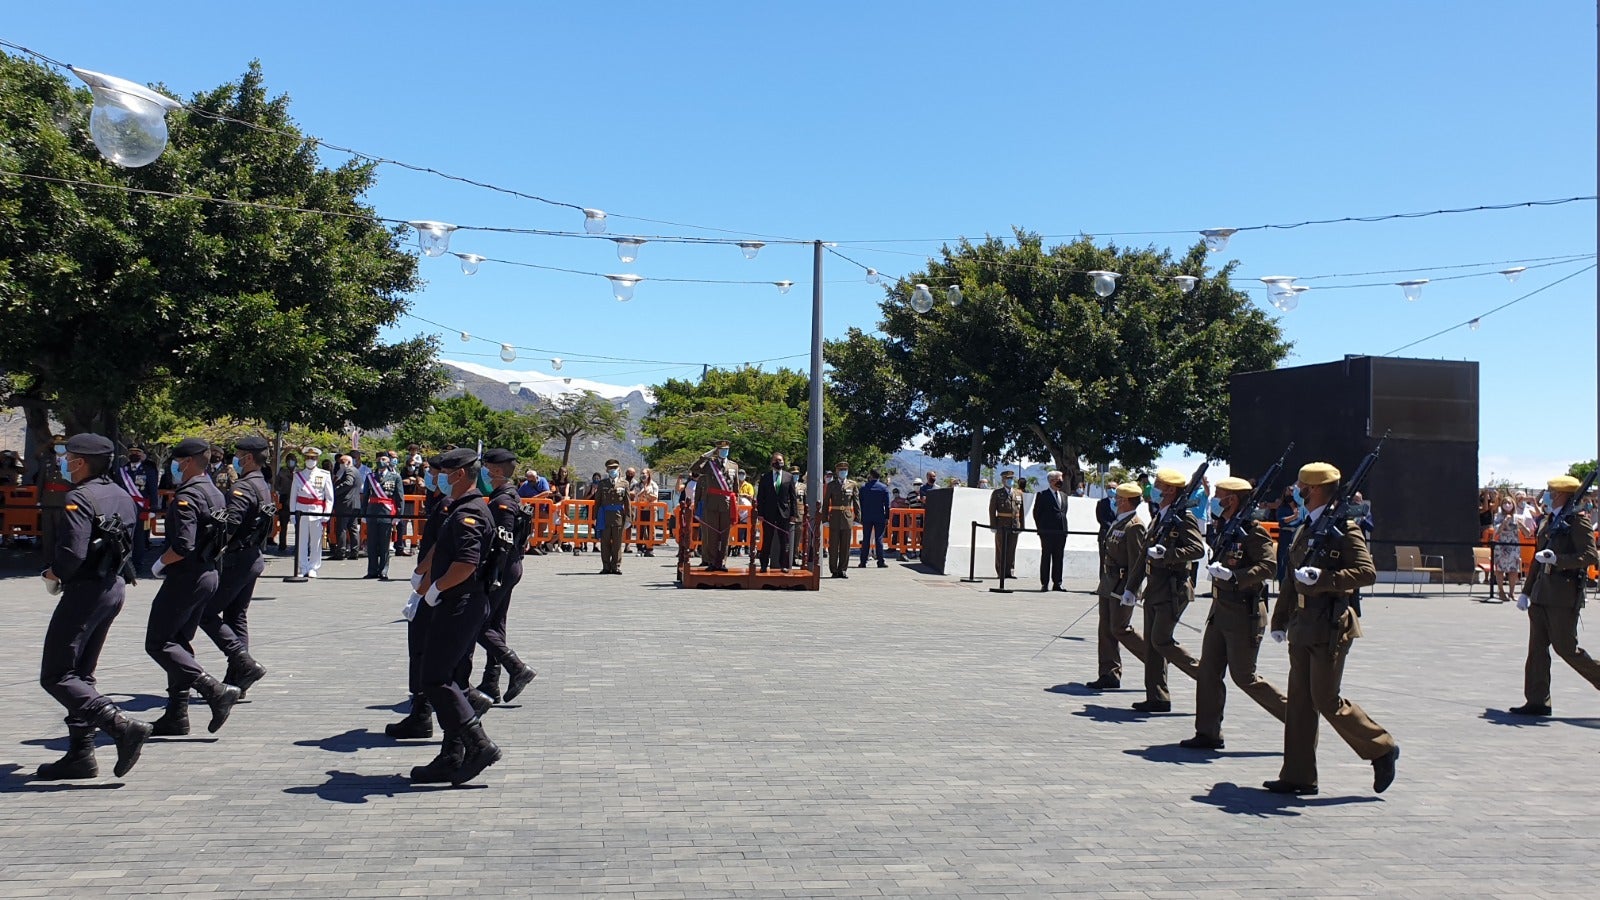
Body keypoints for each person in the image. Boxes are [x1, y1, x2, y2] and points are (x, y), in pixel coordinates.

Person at [1266, 461, 1399, 796]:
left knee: (1326, 699)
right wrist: (1280, 619)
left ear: (1314, 489)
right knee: (1298, 702)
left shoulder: (1346, 529)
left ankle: (1381, 747)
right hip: (1301, 626)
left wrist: (1325, 580)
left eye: (1301, 486)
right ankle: (1298, 775)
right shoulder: (1307, 527)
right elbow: (1289, 580)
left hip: (1329, 626)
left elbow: (1366, 572)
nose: (1296, 491)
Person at [35, 433, 152, 780]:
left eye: (68, 457)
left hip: (85, 590)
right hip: (112, 587)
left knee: (57, 675)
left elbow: (72, 553)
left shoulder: (79, 497)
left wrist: (52, 573)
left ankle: (121, 726)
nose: (64, 463)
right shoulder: (121, 495)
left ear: (81, 462)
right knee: (80, 675)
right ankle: (81, 754)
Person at [409, 447, 502, 785]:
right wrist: (423, 573)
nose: (440, 479)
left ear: (460, 475)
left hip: (461, 601)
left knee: (435, 677)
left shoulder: (470, 513)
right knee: (448, 677)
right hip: (457, 600)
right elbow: (442, 548)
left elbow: (465, 563)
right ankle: (451, 755)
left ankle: (479, 744)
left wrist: (436, 588)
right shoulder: (461, 508)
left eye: (445, 473)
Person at [1183, 476, 1288, 750]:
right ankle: (1207, 732)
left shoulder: (1253, 532)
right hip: (1220, 611)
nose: (1215, 499)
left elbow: (1269, 567)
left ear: (1232, 499)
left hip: (1244, 612)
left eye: (1220, 494)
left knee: (1244, 677)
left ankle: (1297, 717)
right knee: (1208, 672)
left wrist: (1235, 575)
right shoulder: (1223, 526)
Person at [145, 438, 240, 737]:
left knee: (159, 642)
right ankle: (176, 713)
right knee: (179, 643)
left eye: (176, 461)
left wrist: (160, 563)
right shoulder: (215, 492)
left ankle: (214, 689)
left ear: (186, 462)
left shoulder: (188, 495)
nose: (174, 467)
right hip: (209, 573)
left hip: (187, 576)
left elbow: (183, 545)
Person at [1510, 474, 1600, 716]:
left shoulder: (1577, 521)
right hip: (1541, 593)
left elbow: (1591, 556)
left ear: (1561, 494)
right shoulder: (1550, 521)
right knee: (1536, 650)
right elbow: (1539, 559)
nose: (1547, 495)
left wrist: (1559, 560)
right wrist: (1526, 592)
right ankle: (1537, 701)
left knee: (1566, 649)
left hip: (1563, 595)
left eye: (1550, 491)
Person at [199, 436, 274, 700]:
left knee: (204, 612)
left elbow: (230, 525)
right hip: (252, 557)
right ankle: (237, 679)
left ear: (249, 458)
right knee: (235, 615)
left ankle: (242, 663)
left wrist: (207, 549)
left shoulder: (243, 487)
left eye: (239, 455)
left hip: (237, 558)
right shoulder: (261, 484)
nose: (236, 459)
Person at [1134, 468, 1205, 714]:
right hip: (1154, 588)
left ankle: (1205, 675)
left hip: (1173, 589)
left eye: (1157, 485)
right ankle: (1157, 696)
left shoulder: (1184, 518)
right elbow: (1143, 556)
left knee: (1161, 640)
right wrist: (1131, 588)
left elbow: (1197, 549)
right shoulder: (1160, 516)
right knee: (1152, 646)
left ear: (1170, 490)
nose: (1153, 489)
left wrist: (1169, 555)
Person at [476, 449, 539, 704]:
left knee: (478, 625)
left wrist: (491, 573)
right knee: (496, 625)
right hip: (509, 567)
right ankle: (491, 682)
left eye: (487, 467)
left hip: (502, 567)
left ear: (498, 471)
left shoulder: (504, 500)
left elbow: (502, 540)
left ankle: (517, 668)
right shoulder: (504, 494)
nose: (484, 472)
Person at [1088, 483, 1150, 691]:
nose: (1115, 501)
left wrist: (1132, 590)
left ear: (1124, 501)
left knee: (1120, 628)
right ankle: (1109, 673)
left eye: (1118, 498)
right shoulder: (1119, 522)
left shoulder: (1134, 526)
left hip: (1123, 586)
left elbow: (1137, 562)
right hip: (1109, 583)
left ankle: (1155, 659)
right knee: (1105, 629)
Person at [689, 441, 738, 571]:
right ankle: (711, 561)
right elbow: (694, 469)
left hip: (727, 504)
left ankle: (722, 562)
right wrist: (707, 455)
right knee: (711, 534)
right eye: (721, 449)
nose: (724, 452)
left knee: (725, 535)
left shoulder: (734, 466)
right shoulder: (710, 464)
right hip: (711, 503)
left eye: (726, 449)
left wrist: (735, 506)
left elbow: (735, 489)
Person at [290, 447, 336, 577]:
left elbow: (329, 497)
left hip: (317, 511)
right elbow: (293, 496)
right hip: (301, 510)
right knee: (301, 541)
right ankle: (302, 567)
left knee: (316, 542)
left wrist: (326, 513)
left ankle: (313, 567)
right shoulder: (298, 476)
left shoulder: (324, 475)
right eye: (308, 458)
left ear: (317, 459)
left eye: (313, 458)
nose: (311, 460)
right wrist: (292, 514)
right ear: (305, 459)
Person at [116, 447, 160, 576]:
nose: (134, 454)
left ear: (142, 455)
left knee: (139, 537)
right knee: (123, 536)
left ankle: (137, 565)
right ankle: (123, 565)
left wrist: (153, 508)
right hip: (124, 507)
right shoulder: (122, 471)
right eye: (131, 452)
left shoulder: (148, 470)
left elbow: (153, 490)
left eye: (137, 452)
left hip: (141, 507)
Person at [363, 451, 404, 580]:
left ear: (389, 462)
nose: (382, 461)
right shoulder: (370, 477)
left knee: (385, 544)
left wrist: (398, 515)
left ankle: (383, 570)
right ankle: (372, 570)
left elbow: (399, 497)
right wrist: (363, 513)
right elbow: (365, 496)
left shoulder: (395, 477)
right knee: (372, 544)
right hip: (372, 512)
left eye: (385, 459)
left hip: (387, 512)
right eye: (380, 459)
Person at [756, 452, 798, 573]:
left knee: (784, 541)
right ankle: (764, 564)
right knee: (767, 540)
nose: (778, 462)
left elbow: (793, 497)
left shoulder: (788, 477)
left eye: (780, 460)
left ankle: (783, 564)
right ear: (772, 463)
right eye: (776, 460)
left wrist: (793, 515)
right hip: (768, 514)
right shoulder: (765, 477)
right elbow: (761, 497)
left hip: (784, 514)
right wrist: (760, 513)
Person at [594, 458, 632, 575]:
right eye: (610, 468)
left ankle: (616, 566)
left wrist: (629, 518)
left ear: (619, 468)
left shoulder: (624, 483)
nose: (612, 470)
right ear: (606, 469)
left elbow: (627, 502)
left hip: (618, 516)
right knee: (605, 543)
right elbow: (598, 501)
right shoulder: (602, 484)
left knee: (617, 543)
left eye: (614, 468)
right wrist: (595, 518)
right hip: (604, 516)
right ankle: (606, 566)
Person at [1033, 470, 1069, 592]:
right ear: (1052, 481)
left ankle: (1057, 583)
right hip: (1047, 532)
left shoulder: (1063, 496)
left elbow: (1063, 513)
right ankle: (1045, 583)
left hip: (1061, 532)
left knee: (1059, 557)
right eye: (1059, 479)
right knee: (1046, 557)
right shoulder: (1042, 495)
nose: (1061, 481)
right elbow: (1037, 514)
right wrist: (1041, 530)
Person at [825, 462, 859, 578]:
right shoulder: (831, 485)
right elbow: (825, 503)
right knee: (833, 546)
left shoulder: (852, 484)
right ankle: (834, 570)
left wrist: (857, 518)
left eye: (845, 469)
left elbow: (856, 502)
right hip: (834, 518)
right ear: (837, 471)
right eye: (841, 470)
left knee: (845, 546)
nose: (843, 471)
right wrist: (825, 519)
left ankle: (843, 569)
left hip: (847, 518)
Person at [989, 470, 1023, 579]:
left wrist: (1022, 525)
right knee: (1001, 549)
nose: (1010, 481)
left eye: (1012, 479)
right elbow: (992, 510)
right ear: (1003, 480)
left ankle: (1010, 571)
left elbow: (1022, 511)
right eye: (1008, 479)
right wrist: (993, 525)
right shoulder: (997, 493)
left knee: (1012, 548)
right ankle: (1001, 572)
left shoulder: (1018, 493)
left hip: (1014, 524)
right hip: (1002, 523)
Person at [1490, 497, 1523, 603]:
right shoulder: (1497, 516)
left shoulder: (1517, 517)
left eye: (1509, 503)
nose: (1507, 505)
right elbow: (1497, 532)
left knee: (1513, 570)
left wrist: (1521, 525)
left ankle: (1512, 592)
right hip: (1501, 547)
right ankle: (1501, 591)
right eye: (1505, 503)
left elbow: (1527, 533)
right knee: (1500, 569)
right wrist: (1504, 522)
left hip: (1514, 547)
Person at [858, 470, 891, 568]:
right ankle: (880, 561)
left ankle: (863, 561)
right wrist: (887, 517)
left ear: (870, 476)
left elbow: (860, 503)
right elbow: (887, 505)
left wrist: (861, 516)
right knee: (879, 538)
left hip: (867, 516)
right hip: (879, 516)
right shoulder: (883, 488)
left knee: (866, 538)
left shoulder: (864, 488)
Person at [331, 453, 361, 559]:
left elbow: (349, 483)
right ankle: (354, 551)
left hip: (345, 503)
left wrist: (335, 490)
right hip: (354, 504)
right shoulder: (357, 471)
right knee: (353, 528)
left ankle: (341, 551)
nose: (340, 464)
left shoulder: (349, 470)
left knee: (342, 528)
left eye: (342, 462)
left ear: (348, 462)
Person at [272, 452, 297, 555]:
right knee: (283, 524)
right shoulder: (282, 471)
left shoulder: (299, 472)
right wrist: (282, 490)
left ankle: (298, 545)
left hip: (296, 500)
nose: (291, 462)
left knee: (297, 524)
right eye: (289, 460)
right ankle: (282, 545)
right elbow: (276, 485)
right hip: (285, 499)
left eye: (293, 460)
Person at [631, 467, 658, 556]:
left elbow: (655, 497)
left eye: (644, 473)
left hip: (650, 510)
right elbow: (636, 496)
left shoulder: (653, 485)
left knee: (651, 529)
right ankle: (639, 548)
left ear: (648, 475)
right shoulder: (637, 485)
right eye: (641, 473)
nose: (643, 475)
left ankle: (649, 548)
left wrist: (648, 493)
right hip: (640, 510)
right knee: (640, 529)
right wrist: (642, 493)